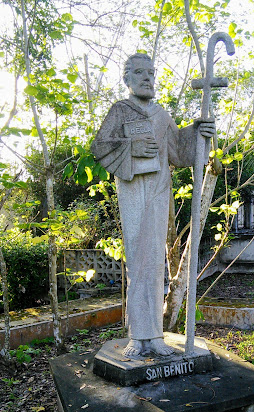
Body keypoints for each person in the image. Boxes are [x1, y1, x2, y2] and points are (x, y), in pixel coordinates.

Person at [91, 53, 215, 357]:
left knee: (155, 260)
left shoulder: (161, 114)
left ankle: (155, 337)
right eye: (140, 73)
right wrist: (131, 146)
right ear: (127, 79)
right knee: (137, 260)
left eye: (151, 73)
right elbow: (99, 146)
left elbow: (179, 151)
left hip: (160, 190)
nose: (147, 78)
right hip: (133, 191)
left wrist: (200, 132)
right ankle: (138, 336)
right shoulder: (121, 111)